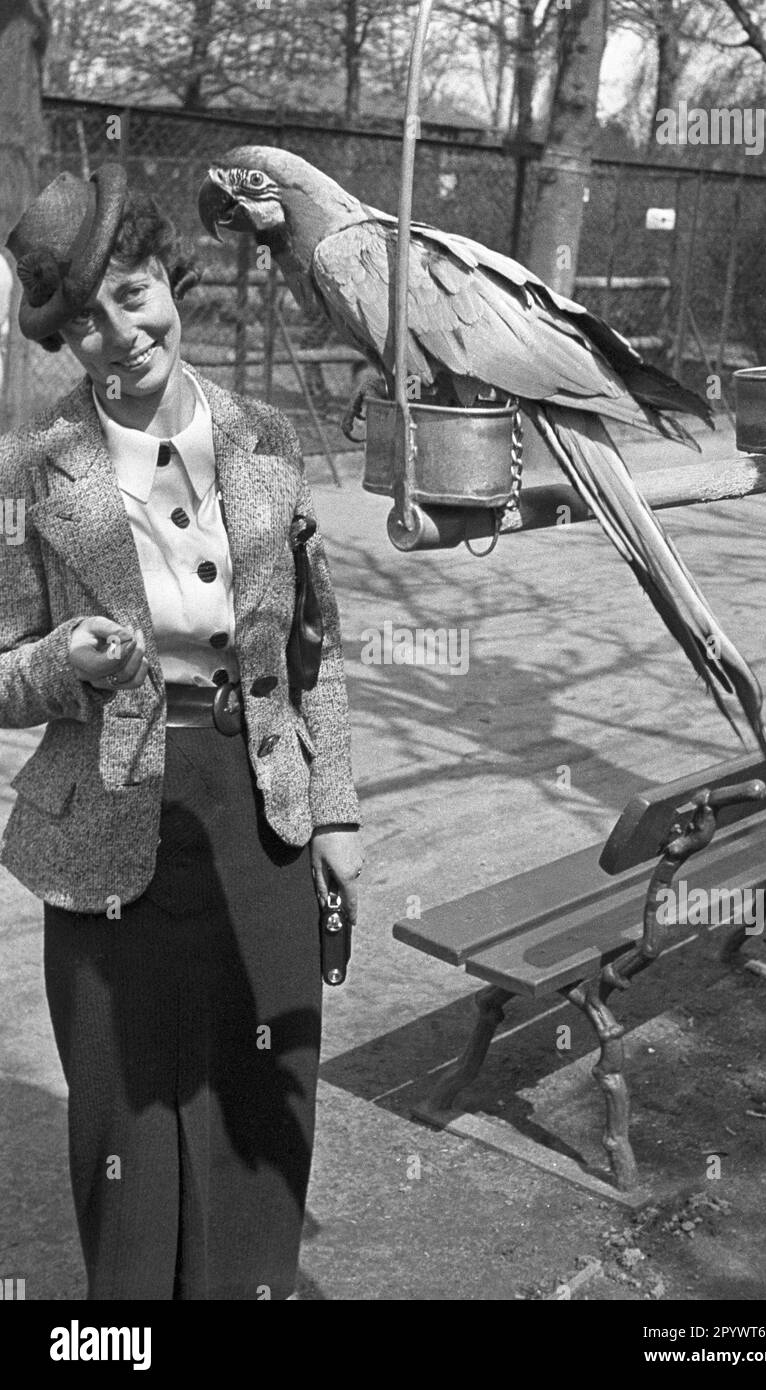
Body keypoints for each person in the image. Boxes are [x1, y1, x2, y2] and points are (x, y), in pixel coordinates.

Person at [0, 162, 363, 1301]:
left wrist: (339, 811)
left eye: (136, 294)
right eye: (88, 320)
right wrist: (65, 663)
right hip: (113, 820)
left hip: (262, 811)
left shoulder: (264, 437)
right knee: (129, 1123)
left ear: (171, 281)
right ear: (64, 338)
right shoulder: (35, 468)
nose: (120, 334)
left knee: (263, 1100)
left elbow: (312, 649)